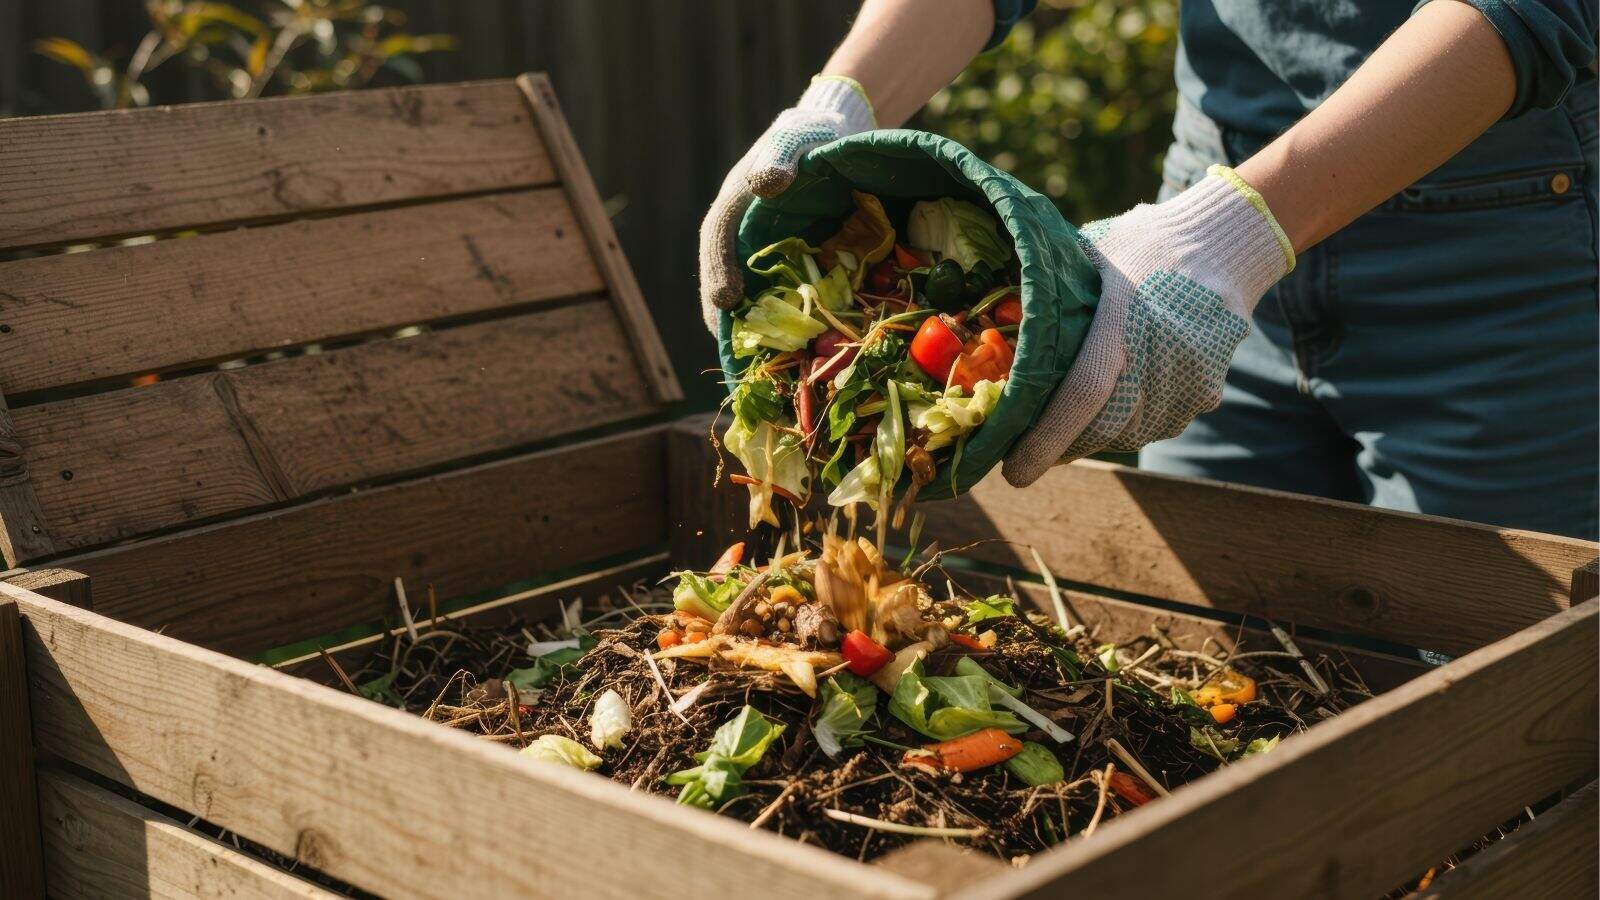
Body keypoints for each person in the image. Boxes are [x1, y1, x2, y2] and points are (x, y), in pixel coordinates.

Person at [697, 0, 1598, 540]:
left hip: (1497, 259)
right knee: (1218, 688)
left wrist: (1232, 235)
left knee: (1501, 728)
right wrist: (838, 99)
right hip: (1205, 224)